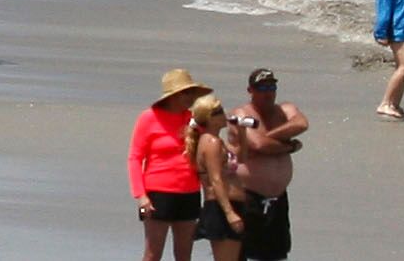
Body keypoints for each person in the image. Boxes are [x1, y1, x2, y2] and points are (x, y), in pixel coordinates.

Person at [129, 69, 211, 261]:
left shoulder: (194, 120)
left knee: (184, 255)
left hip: (189, 192)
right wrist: (141, 196)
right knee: (152, 254)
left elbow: (207, 150)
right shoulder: (149, 118)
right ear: (173, 95)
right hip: (158, 192)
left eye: (192, 93)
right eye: (185, 92)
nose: (190, 97)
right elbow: (134, 158)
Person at [230, 68, 308, 260]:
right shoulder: (241, 114)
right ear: (250, 90)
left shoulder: (284, 109)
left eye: (272, 87)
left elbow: (301, 123)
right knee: (243, 253)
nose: (268, 92)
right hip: (248, 198)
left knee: (277, 254)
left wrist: (268, 137)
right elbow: (258, 144)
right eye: (262, 87)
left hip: (278, 199)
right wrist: (289, 146)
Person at [186, 94, 247, 261]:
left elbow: (243, 158)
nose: (223, 114)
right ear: (210, 119)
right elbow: (215, 179)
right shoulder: (210, 142)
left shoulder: (218, 141)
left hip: (232, 204)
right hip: (221, 207)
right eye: (218, 111)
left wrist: (242, 132)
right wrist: (229, 213)